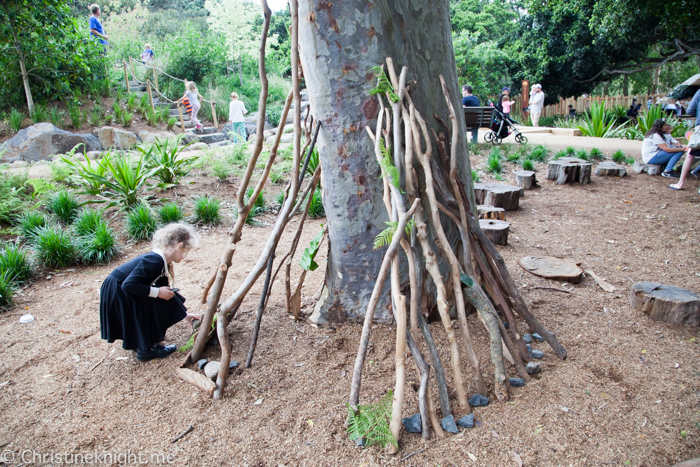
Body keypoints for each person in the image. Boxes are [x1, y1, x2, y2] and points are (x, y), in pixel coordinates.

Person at [100, 224, 201, 362]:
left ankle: (142, 344)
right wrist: (157, 292)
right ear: (179, 245)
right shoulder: (155, 260)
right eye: (186, 250)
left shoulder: (160, 260)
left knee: (156, 298)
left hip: (119, 288)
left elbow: (166, 292)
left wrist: (184, 314)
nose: (185, 255)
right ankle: (146, 350)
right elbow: (128, 285)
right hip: (118, 290)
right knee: (148, 303)